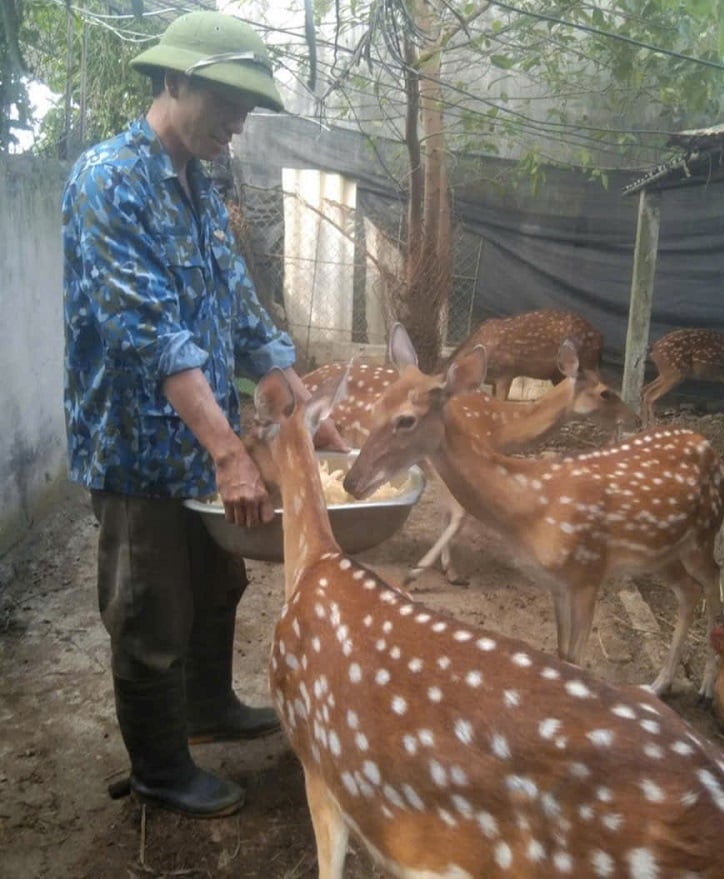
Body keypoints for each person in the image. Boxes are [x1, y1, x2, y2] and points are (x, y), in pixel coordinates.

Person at [62, 10, 346, 819]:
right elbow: (151, 333)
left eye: (248, 110)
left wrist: (300, 409)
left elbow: (244, 317)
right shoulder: (107, 180)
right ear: (173, 80)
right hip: (135, 452)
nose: (237, 122)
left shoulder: (203, 189)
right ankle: (158, 769)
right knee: (149, 605)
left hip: (204, 441)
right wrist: (231, 452)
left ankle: (207, 707)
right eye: (225, 100)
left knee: (217, 580)